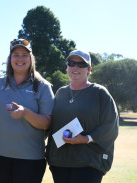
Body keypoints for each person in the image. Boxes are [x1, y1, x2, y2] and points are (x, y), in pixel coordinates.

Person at [46, 50, 119, 183]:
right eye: (72, 63)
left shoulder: (99, 93)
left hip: (89, 163)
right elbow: (50, 123)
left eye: (81, 64)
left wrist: (85, 139)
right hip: (60, 162)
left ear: (89, 70)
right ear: (67, 67)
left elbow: (111, 127)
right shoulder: (60, 93)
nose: (75, 67)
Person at [0, 39, 54, 183]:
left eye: (24, 54)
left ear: (31, 58)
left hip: (30, 159)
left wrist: (25, 113)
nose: (20, 59)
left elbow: (46, 124)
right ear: (10, 58)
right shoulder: (0, 83)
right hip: (0, 156)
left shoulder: (43, 86)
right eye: (15, 54)